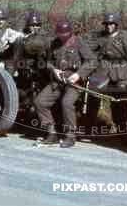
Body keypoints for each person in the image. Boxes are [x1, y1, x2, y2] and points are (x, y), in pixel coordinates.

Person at [33, 20, 97, 148]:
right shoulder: (54, 43)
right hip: (58, 81)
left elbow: (92, 61)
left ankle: (70, 136)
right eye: (60, 33)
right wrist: (53, 70)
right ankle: (52, 133)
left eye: (66, 33)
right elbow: (48, 61)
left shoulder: (79, 43)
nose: (63, 36)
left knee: (67, 103)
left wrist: (78, 74)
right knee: (40, 102)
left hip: (74, 82)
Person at [86, 13, 127, 142]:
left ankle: (122, 133)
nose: (109, 26)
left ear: (116, 24)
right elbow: (90, 50)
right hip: (103, 69)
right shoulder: (100, 37)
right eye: (107, 24)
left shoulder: (124, 36)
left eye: (111, 24)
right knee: (93, 97)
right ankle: (88, 129)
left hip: (120, 71)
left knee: (118, 102)